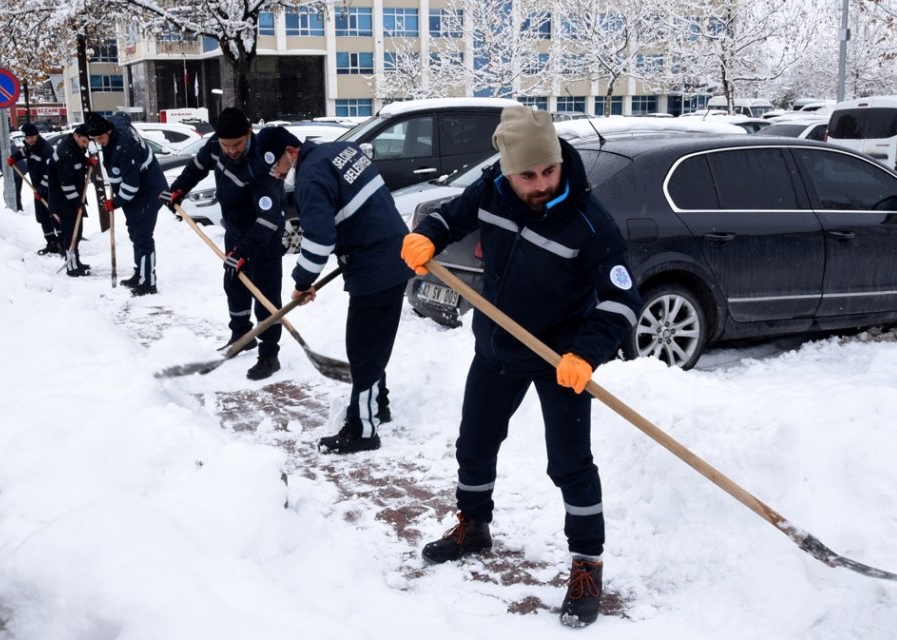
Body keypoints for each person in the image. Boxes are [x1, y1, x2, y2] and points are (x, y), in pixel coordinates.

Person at [400, 106, 643, 629]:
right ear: (508, 170)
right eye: (527, 174)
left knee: (570, 464)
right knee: (475, 442)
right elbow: (453, 216)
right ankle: (474, 526)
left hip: (561, 357)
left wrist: (588, 353)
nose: (540, 184)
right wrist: (430, 237)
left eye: (548, 171)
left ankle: (587, 563)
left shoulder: (589, 221)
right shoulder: (493, 189)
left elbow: (622, 299)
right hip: (498, 344)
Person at [272, 127, 413, 454]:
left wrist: (302, 282)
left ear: (292, 152)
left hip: (375, 266)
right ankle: (378, 404)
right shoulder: (341, 150)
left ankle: (362, 430)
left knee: (363, 349)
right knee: (373, 342)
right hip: (393, 251)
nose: (276, 174)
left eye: (276, 166)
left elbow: (319, 241)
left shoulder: (309, 179)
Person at [166, 108, 286, 371]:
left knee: (265, 293)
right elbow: (197, 167)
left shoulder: (263, 168)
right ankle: (242, 336)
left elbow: (268, 220)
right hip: (235, 227)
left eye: (237, 144)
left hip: (263, 235)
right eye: (225, 145)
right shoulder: (215, 146)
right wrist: (178, 189)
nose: (231, 150)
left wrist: (243, 252)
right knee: (233, 282)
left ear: (248, 134)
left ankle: (269, 353)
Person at [84, 113, 168, 297]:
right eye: (95, 139)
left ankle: (148, 282)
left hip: (148, 190)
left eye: (101, 138)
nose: (99, 142)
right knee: (134, 232)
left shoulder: (125, 147)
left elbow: (131, 187)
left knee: (143, 237)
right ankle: (140, 274)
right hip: (137, 191)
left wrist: (115, 203)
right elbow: (123, 115)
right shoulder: (115, 123)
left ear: (109, 130)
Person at [47, 124, 94, 277]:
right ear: (75, 136)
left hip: (72, 199)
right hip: (63, 201)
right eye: (84, 142)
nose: (85, 145)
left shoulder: (73, 148)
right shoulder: (65, 153)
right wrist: (77, 202)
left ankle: (76, 261)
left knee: (77, 232)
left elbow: (78, 163)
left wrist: (87, 162)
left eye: (87, 142)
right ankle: (72, 267)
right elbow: (66, 183)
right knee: (71, 233)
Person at [15, 122, 60, 255]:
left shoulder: (45, 149)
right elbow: (23, 152)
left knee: (54, 215)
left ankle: (63, 243)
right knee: (43, 216)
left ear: (36, 135)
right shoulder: (30, 146)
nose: (28, 139)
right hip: (37, 188)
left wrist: (41, 189)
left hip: (50, 188)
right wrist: (14, 158)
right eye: (26, 137)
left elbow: (49, 173)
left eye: (30, 137)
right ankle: (51, 241)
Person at [0, 131, 25, 212]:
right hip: (20, 169)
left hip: (14, 171)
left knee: (9, 193)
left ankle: (15, 210)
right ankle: (18, 209)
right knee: (16, 192)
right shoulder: (5, 140)